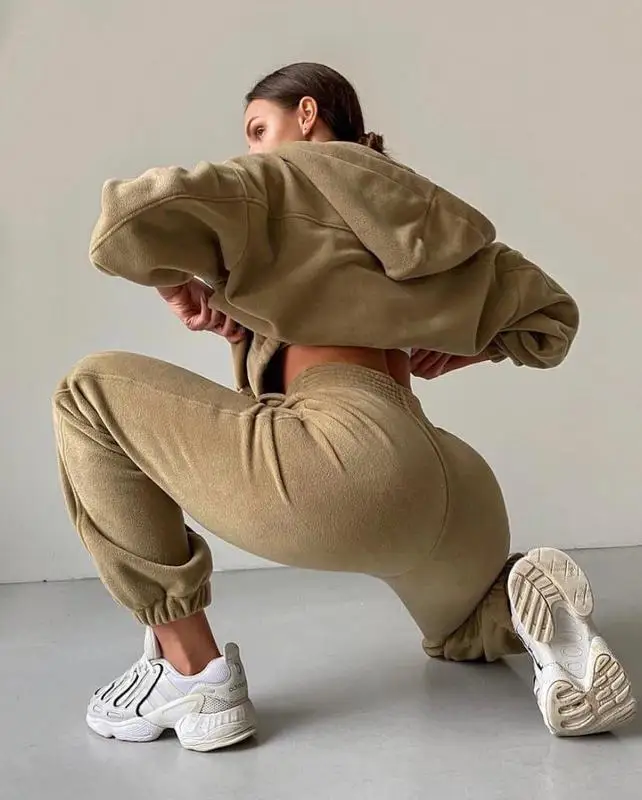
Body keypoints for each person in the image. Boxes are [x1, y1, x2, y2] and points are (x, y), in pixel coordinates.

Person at [53, 62, 636, 751]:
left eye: (257, 129)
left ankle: (191, 674)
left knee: (86, 394)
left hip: (349, 464)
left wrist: (173, 280)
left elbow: (123, 224)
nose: (250, 149)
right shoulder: (423, 213)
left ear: (307, 115)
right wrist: (463, 348)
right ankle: (516, 605)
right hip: (455, 488)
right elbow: (551, 320)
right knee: (459, 631)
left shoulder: (280, 176)